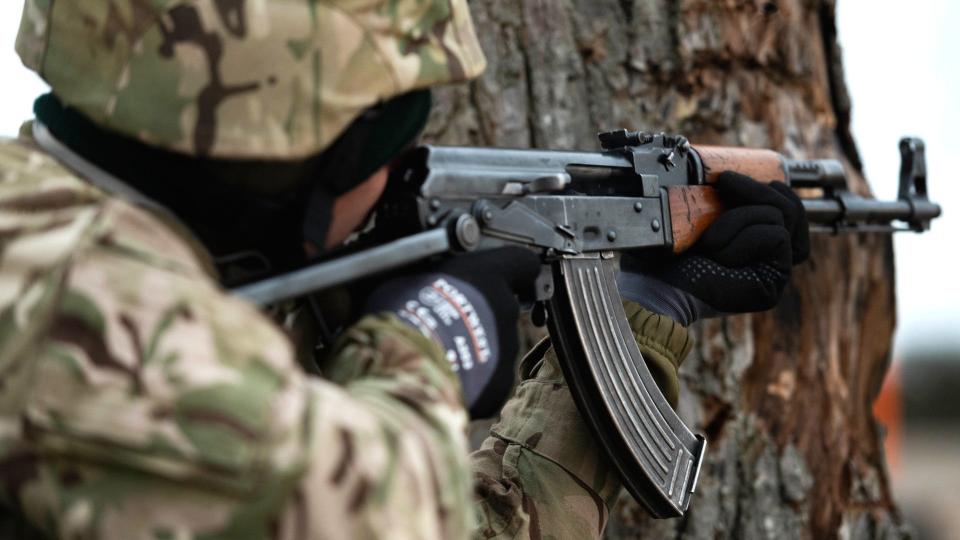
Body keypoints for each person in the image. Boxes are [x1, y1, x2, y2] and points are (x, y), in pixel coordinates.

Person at [0, 1, 808, 538]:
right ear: (285, 159)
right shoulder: (81, 303)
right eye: (385, 143)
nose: (398, 173)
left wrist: (639, 311)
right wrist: (420, 341)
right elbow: (382, 514)